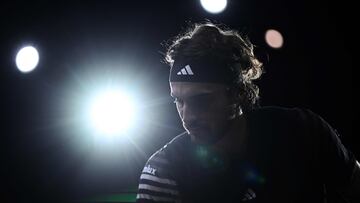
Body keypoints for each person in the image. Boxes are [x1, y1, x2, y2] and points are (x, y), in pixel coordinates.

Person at [136, 22, 359, 203]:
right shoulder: (164, 170)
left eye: (201, 100)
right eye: (179, 101)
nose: (188, 117)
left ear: (237, 93)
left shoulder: (303, 131)